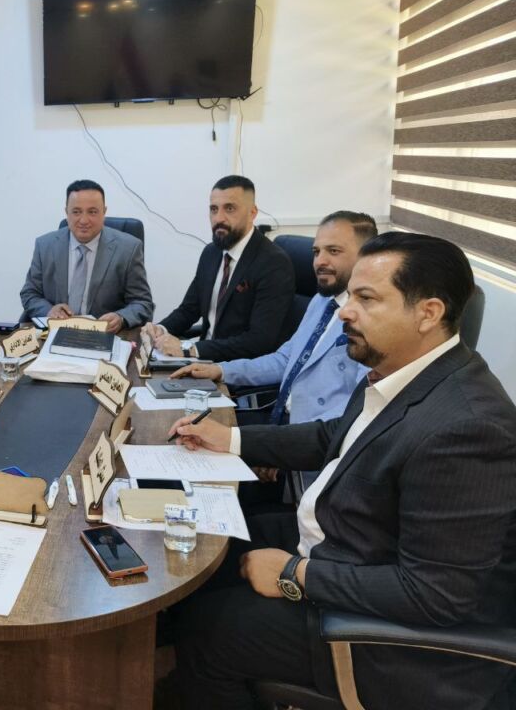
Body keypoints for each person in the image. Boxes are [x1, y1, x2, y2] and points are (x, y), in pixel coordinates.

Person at [164, 232, 516, 710]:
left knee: (207, 631)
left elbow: (435, 594)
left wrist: (295, 573)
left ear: (428, 313)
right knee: (204, 551)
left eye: (365, 299)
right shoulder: (402, 373)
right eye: (350, 296)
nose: (344, 312)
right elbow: (333, 436)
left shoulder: (468, 428)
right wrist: (230, 438)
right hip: (347, 544)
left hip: (390, 643)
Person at [172, 211, 377, 504]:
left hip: (314, 461)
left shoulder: (371, 323)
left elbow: (350, 418)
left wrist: (281, 453)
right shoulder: (322, 301)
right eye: (316, 252)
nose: (320, 261)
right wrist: (221, 370)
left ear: (367, 257)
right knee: (186, 451)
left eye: (334, 251)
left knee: (207, 486)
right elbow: (285, 360)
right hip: (280, 425)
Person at [142, 175, 295, 360]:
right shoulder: (211, 253)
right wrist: (160, 329)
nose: (218, 218)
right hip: (201, 359)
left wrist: (190, 349)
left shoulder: (273, 263)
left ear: (252, 213)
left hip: (234, 368)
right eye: (214, 209)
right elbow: (189, 309)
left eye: (229, 208)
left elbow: (259, 341)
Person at [19, 179, 154, 333]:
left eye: (92, 212)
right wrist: (49, 311)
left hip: (104, 336)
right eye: (76, 212)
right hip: (56, 333)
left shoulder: (128, 249)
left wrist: (121, 317)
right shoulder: (45, 246)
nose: (84, 220)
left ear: (104, 212)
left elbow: (143, 303)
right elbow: (29, 293)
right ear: (67, 212)